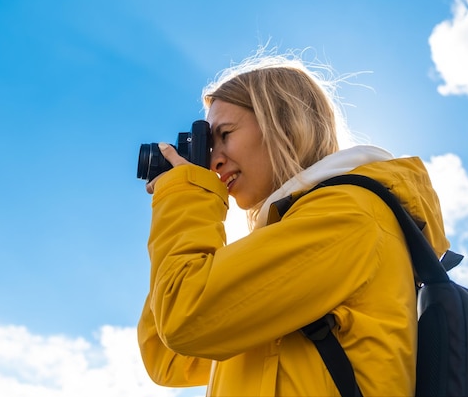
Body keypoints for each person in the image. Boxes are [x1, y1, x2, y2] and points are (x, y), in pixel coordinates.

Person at [137, 50, 449, 396]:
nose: (214, 161)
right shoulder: (293, 234)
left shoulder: (346, 216)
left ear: (283, 123)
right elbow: (168, 356)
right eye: (209, 146)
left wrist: (187, 197)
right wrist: (182, 204)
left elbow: (185, 318)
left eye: (224, 135)